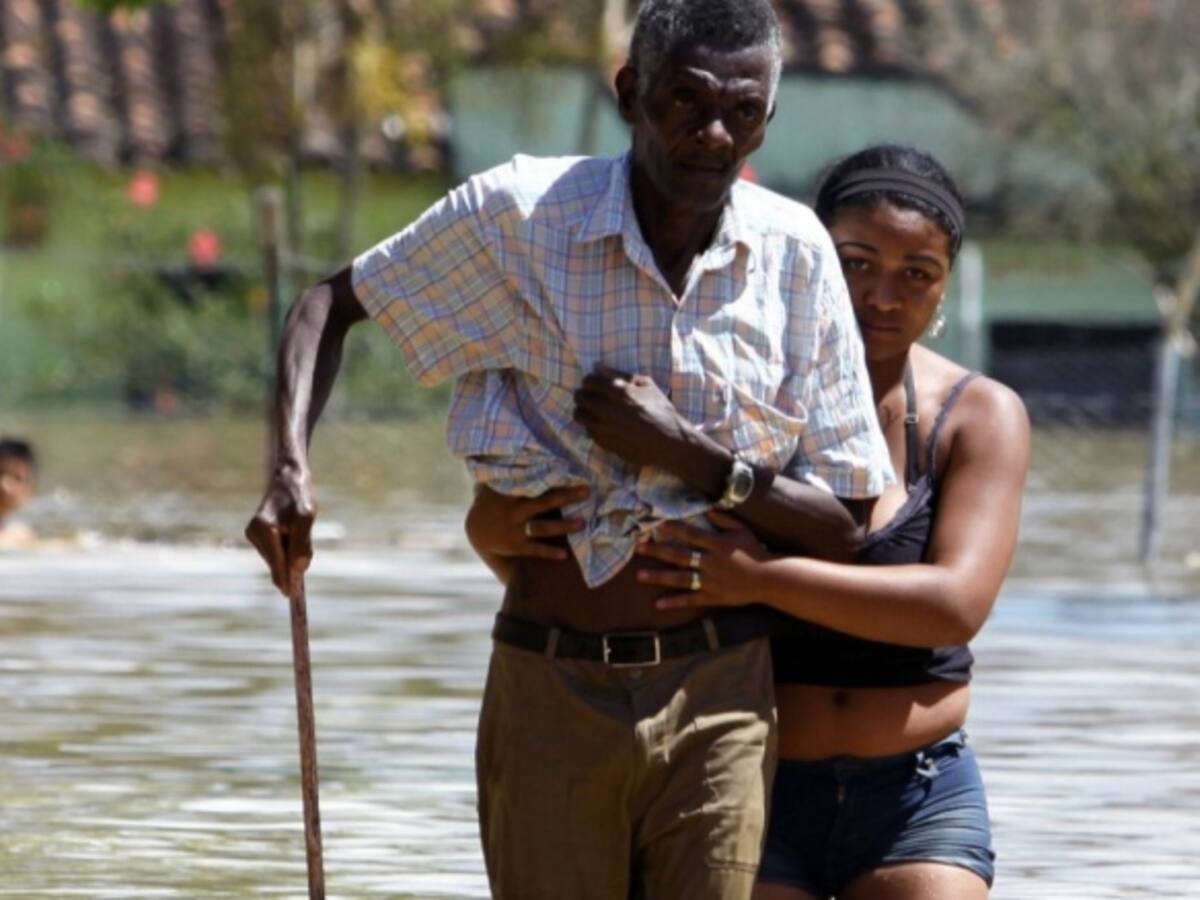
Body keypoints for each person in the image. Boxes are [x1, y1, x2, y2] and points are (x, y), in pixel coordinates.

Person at [245, 1, 895, 896]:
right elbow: (327, 307)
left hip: (719, 695)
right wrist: (288, 470)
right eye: (686, 102)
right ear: (630, 91)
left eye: (743, 113)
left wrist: (693, 456)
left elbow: (843, 527)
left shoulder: (795, 254)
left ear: (768, 119)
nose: (714, 134)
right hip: (550, 683)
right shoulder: (522, 216)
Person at [467, 144, 1030, 899]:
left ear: (944, 289)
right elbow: (607, 553)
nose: (882, 296)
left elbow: (954, 607)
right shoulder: (729, 392)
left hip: (917, 789)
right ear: (807, 262)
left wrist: (761, 580)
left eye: (916, 275)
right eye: (855, 263)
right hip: (751, 773)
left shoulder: (977, 416)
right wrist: (489, 535)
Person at [0, 438, 37, 549]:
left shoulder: (21, 533)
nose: (5, 485)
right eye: (0, 473)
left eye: (17, 478)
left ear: (31, 489)